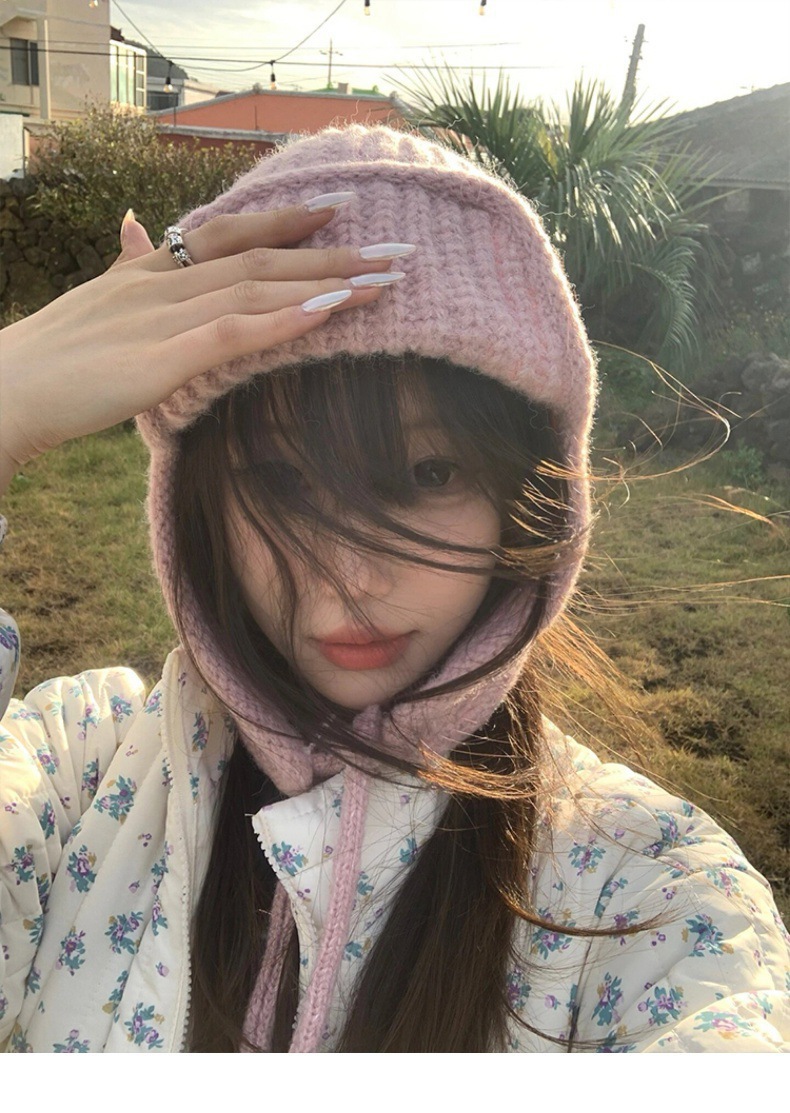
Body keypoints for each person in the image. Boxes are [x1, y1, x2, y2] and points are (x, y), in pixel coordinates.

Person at [0, 124, 787, 1054]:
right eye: (281, 480)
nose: (351, 579)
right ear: (197, 500)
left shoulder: (650, 893)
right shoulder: (73, 771)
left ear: (524, 496)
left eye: (428, 471)